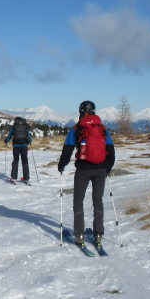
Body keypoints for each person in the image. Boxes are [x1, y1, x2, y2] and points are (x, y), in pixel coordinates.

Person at [57, 101, 115, 247]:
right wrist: (107, 168)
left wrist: (61, 165)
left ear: (80, 111)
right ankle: (98, 234)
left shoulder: (76, 129)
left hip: (83, 170)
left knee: (78, 200)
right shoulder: (102, 129)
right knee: (98, 200)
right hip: (100, 169)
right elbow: (111, 151)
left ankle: (79, 234)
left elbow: (67, 150)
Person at [4, 117, 32, 184]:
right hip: (24, 146)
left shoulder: (14, 127)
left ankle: (14, 178)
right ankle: (26, 178)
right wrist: (30, 141)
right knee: (25, 161)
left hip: (16, 146)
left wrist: (6, 140)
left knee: (16, 161)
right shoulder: (25, 127)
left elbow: (9, 136)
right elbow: (28, 136)